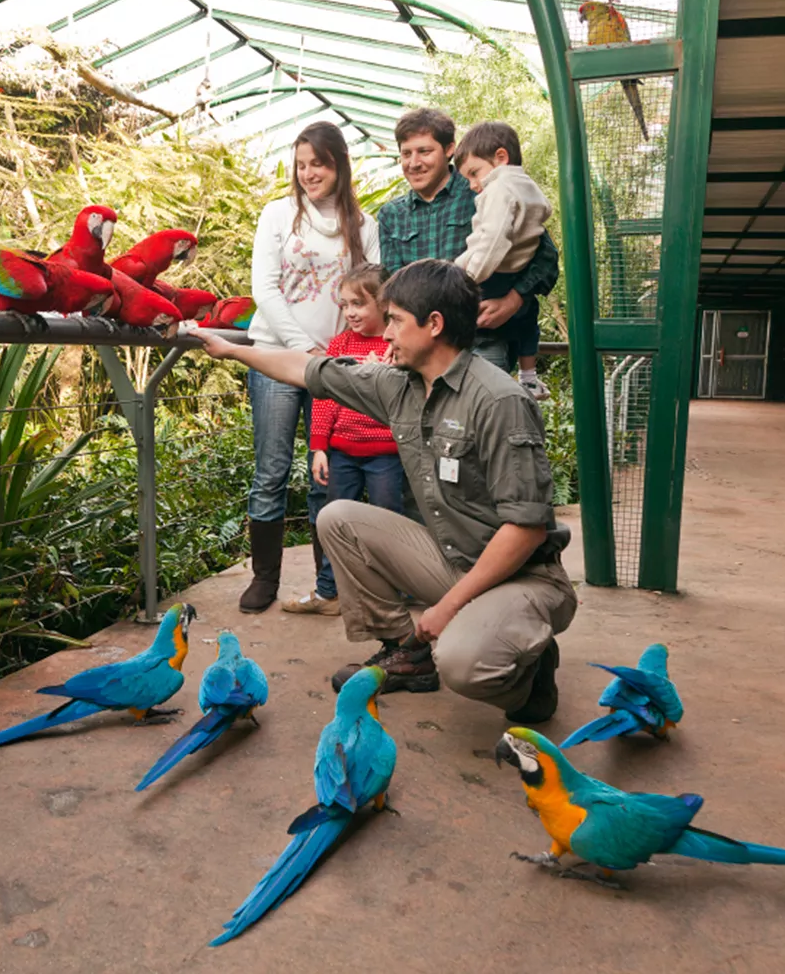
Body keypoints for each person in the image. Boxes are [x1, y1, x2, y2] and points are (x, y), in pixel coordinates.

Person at [192, 259, 577, 725]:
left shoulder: (498, 401)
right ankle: (405, 653)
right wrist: (231, 351)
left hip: (523, 578)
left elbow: (526, 529)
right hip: (455, 562)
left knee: (462, 663)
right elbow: (306, 368)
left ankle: (530, 680)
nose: (386, 332)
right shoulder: (399, 386)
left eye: (394, 319)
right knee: (338, 517)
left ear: (433, 324)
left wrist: (446, 609)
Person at [240, 121, 380, 614]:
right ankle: (265, 578)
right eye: (301, 165)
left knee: (330, 473)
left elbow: (372, 294)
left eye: (317, 164)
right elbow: (266, 289)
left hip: (335, 367)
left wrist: (334, 354)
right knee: (271, 470)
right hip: (279, 358)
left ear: (337, 164)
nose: (308, 174)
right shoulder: (277, 214)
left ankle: (330, 583)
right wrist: (305, 349)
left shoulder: (363, 226)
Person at [376, 108, 559, 375]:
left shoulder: (484, 189)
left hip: (482, 340)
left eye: (424, 151)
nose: (413, 163)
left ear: (449, 149)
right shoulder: (391, 215)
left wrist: (514, 300)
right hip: (420, 349)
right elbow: (392, 286)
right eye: (406, 153)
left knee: (481, 414)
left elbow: (546, 256)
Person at [282, 264, 404, 617]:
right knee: (332, 521)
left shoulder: (395, 345)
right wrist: (319, 447)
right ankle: (328, 592)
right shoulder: (340, 345)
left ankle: (388, 593)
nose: (350, 312)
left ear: (383, 303)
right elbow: (324, 398)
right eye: (345, 304)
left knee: (386, 522)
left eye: (358, 304)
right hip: (343, 454)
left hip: (386, 454)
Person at [452, 120, 554, 401]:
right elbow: (543, 214)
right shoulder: (527, 186)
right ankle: (529, 378)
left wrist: (464, 278)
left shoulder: (498, 190)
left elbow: (491, 241)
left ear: (501, 158)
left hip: (490, 277)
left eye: (475, 174)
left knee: (487, 395)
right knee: (528, 321)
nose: (474, 185)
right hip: (511, 273)